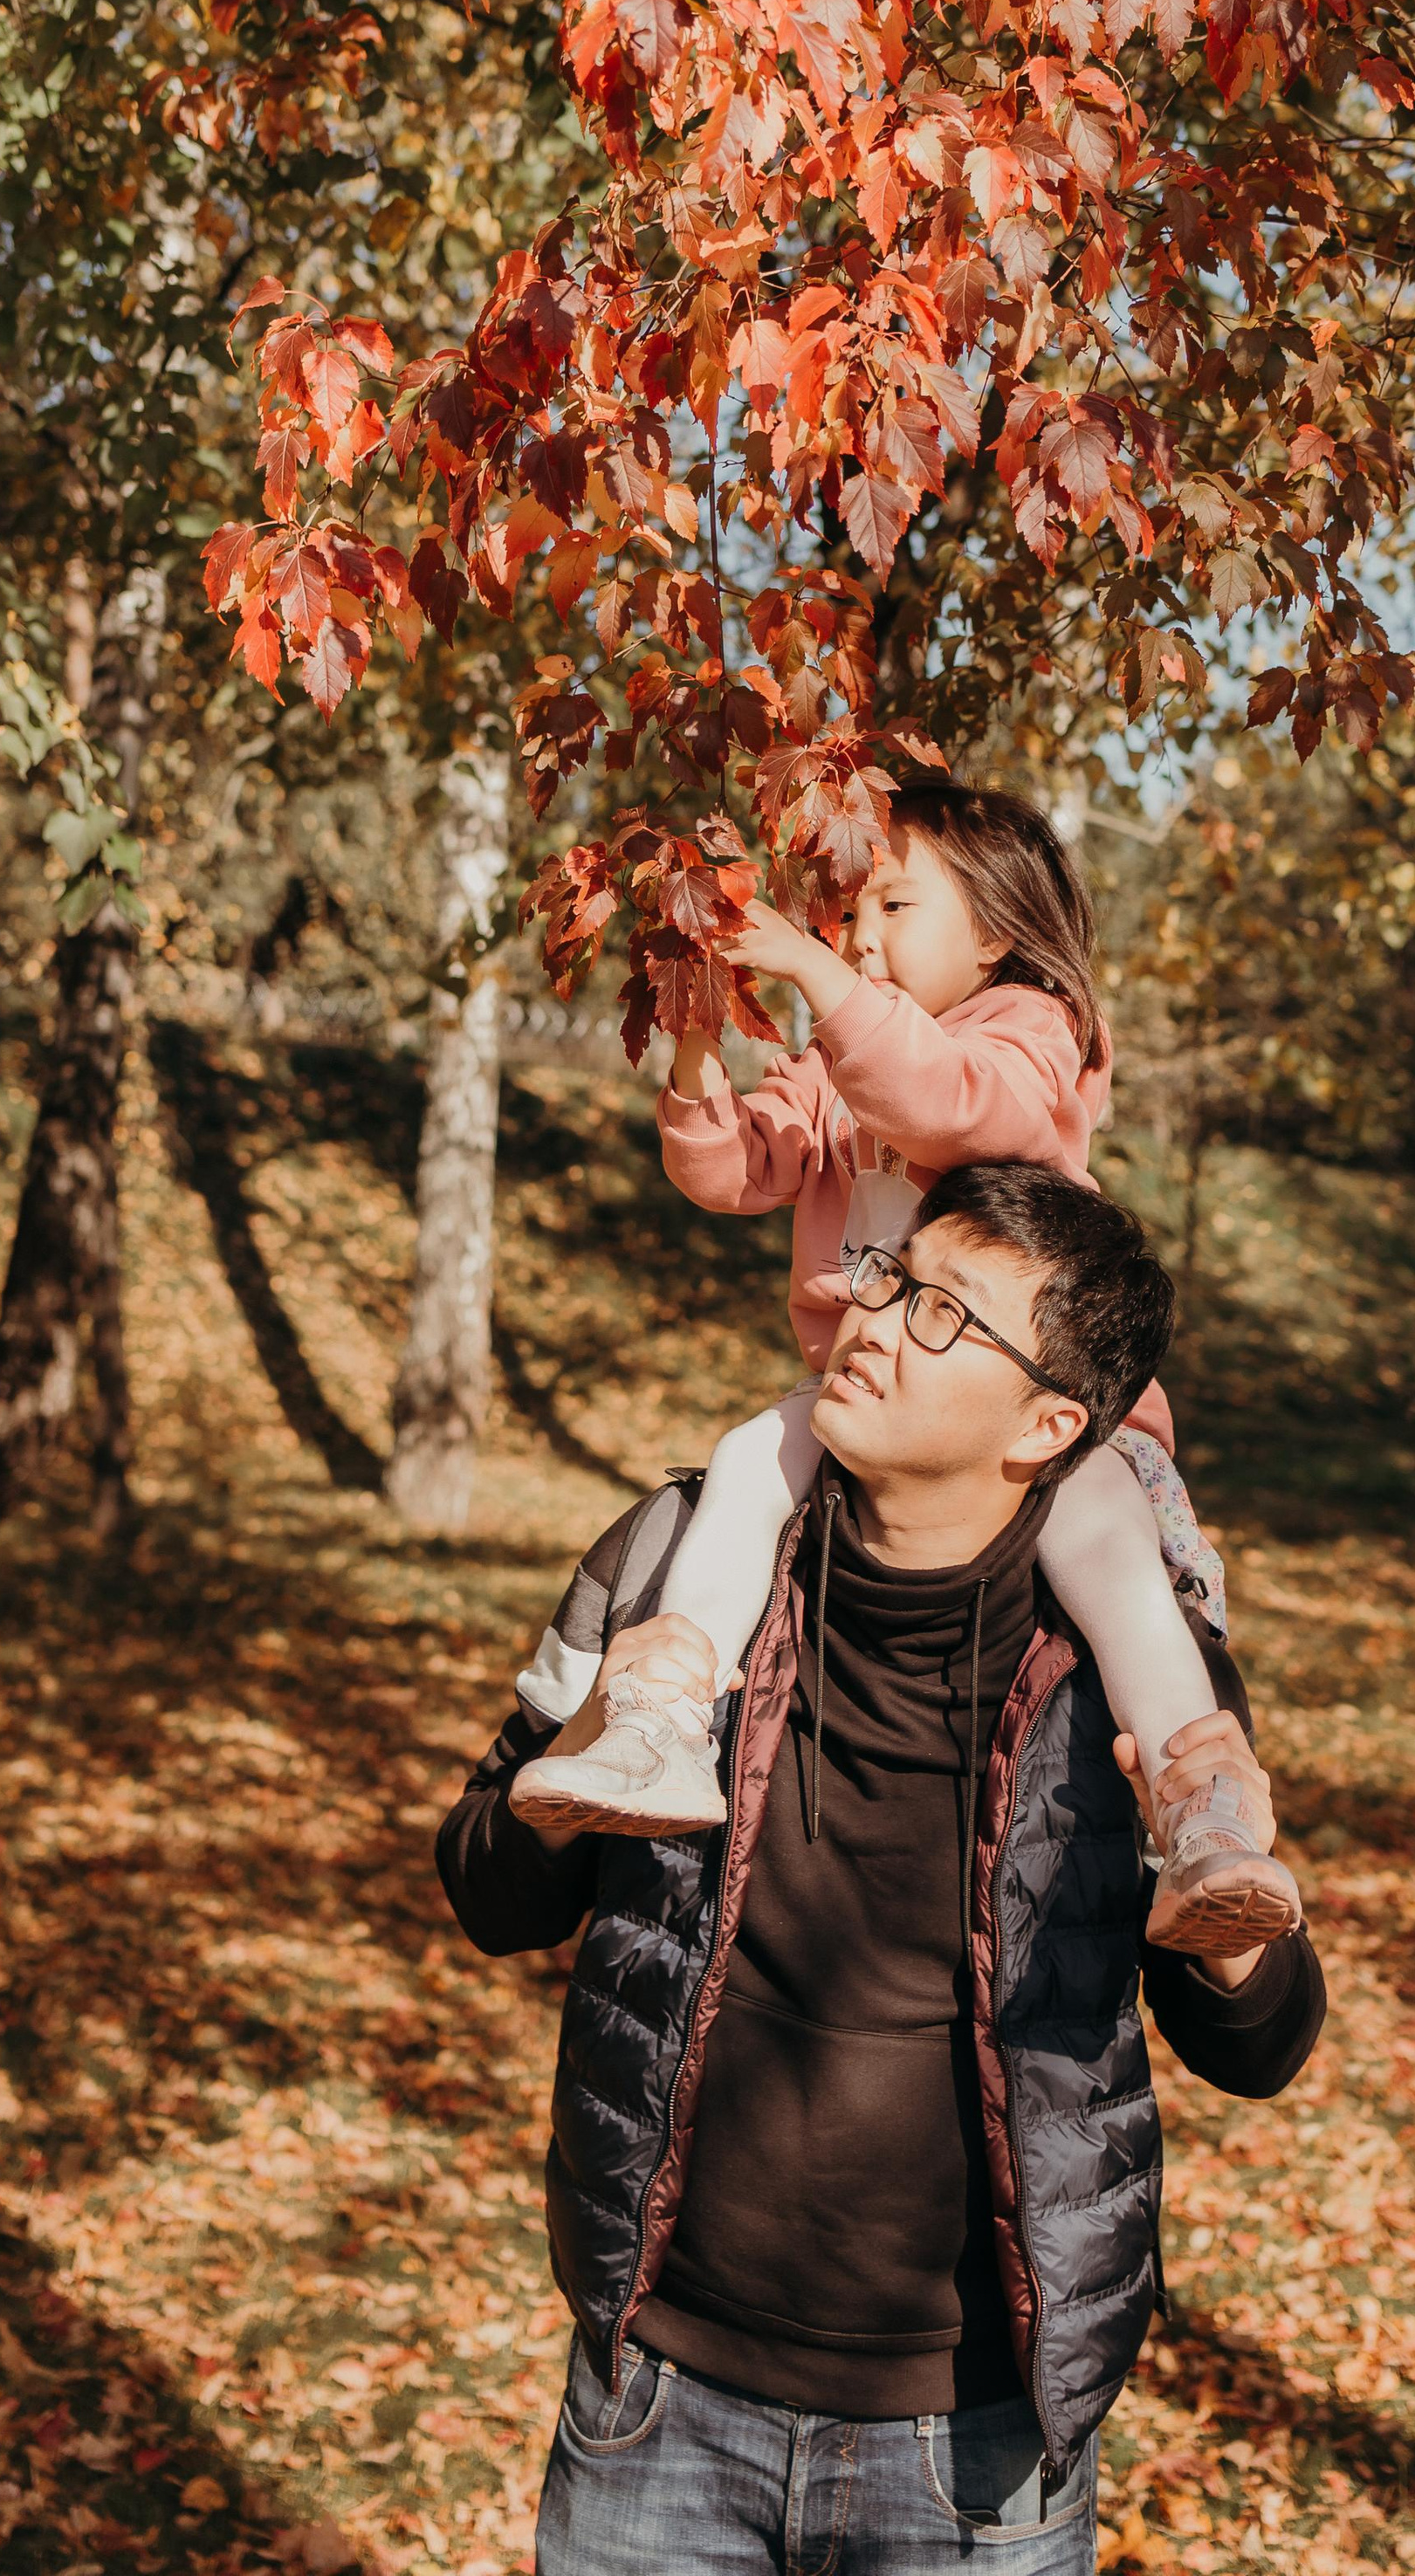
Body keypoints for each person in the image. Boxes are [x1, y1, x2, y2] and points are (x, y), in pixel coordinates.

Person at [438, 1159, 1326, 2576]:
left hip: (971, 2459)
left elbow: (1265, 2038)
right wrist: (595, 1748)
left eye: (940, 1314)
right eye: (893, 1277)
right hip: (658, 2403)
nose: (872, 1316)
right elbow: (488, 1887)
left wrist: (1225, 1919)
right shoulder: (679, 1565)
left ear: (1049, 1424)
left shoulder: (1126, 1670)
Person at [506, 780, 1297, 1954]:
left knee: (1118, 1559)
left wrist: (822, 983)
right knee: (740, 1465)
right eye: (846, 915)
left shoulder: (1026, 1036)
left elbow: (957, 1112)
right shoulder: (834, 1059)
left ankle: (1200, 1807)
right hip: (865, 1398)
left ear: (991, 934)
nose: (858, 936)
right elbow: (734, 1171)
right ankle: (666, 1713)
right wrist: (692, 1032)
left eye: (892, 904)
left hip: (1038, 1408)